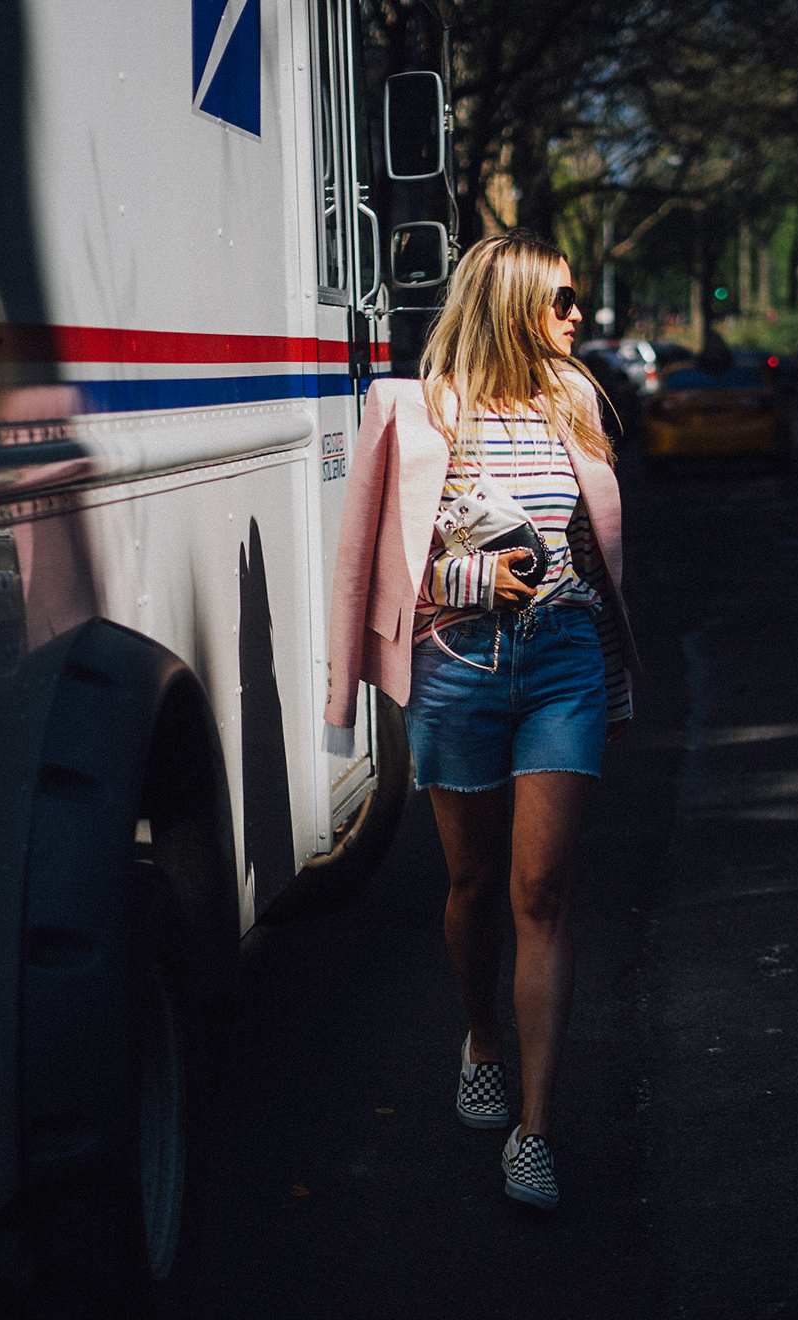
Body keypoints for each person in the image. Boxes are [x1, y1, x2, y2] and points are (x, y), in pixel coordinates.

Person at [324, 229, 639, 1209]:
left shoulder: (575, 399)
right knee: (469, 884)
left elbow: (594, 557)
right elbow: (368, 559)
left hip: (561, 665)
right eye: (561, 298)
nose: (576, 315)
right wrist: (466, 575)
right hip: (457, 668)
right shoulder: (414, 409)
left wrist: (611, 669)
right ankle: (483, 1038)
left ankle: (536, 1131)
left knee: (539, 890)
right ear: (507, 303)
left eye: (577, 299)